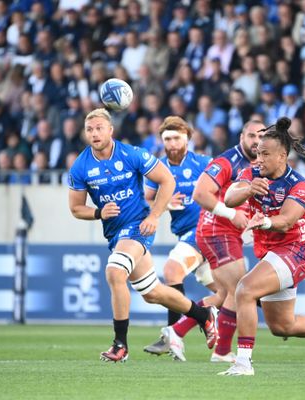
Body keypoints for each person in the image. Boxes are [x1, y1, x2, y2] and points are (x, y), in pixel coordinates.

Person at [68, 108, 217, 363]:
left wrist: (154, 216)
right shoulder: (80, 166)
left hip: (138, 226)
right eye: (90, 129)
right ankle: (204, 315)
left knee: (115, 271)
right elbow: (75, 208)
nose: (94, 133)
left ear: (110, 130)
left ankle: (120, 344)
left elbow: (167, 180)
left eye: (99, 128)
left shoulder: (131, 154)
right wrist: (98, 213)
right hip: (115, 234)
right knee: (153, 293)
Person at [219, 117, 305, 376]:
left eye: (265, 154)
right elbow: (228, 198)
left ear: (282, 156)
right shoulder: (251, 174)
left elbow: (286, 222)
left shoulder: (299, 184)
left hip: (296, 251)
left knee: (245, 290)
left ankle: (243, 363)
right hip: (272, 254)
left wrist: (266, 222)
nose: (259, 158)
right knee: (282, 326)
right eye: (258, 153)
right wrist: (249, 190)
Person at [162, 119, 266, 363]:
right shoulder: (227, 160)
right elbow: (200, 194)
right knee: (239, 290)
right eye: (251, 135)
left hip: (229, 233)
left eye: (261, 136)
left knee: (225, 294)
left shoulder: (259, 163)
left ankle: (206, 344)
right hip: (215, 230)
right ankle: (184, 334)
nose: (256, 141)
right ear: (241, 137)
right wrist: (233, 214)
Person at [142, 116, 222, 357]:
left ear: (188, 138)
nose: (172, 143)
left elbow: (225, 190)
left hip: (206, 230)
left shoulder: (204, 163)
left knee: (172, 271)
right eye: (167, 139)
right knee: (230, 294)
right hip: (187, 235)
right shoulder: (157, 168)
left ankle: (173, 335)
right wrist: (163, 204)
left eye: (177, 137)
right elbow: (147, 200)